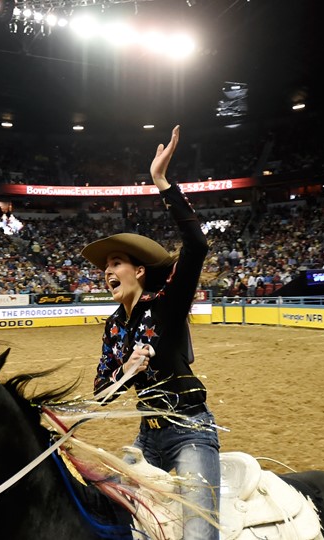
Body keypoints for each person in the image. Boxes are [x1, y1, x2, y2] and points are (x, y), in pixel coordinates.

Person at [81, 125, 220, 540]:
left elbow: (195, 247)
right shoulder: (112, 327)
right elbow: (102, 390)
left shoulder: (165, 306)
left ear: (139, 271)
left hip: (190, 433)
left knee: (198, 533)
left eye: (117, 262)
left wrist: (163, 184)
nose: (108, 270)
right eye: (105, 267)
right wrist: (125, 369)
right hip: (148, 438)